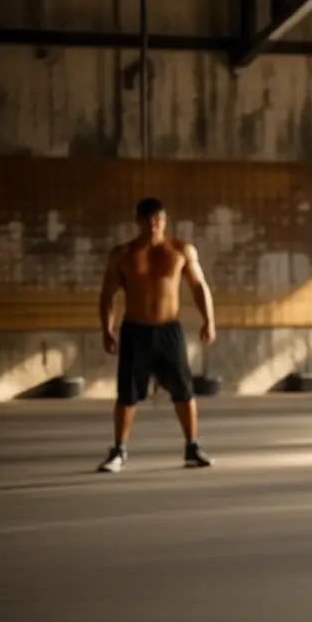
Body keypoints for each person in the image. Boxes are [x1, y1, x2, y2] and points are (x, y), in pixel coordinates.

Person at [96, 198, 215, 473]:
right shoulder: (123, 254)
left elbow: (199, 287)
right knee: (127, 393)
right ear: (137, 222)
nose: (153, 226)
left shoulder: (180, 251)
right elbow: (107, 295)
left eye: (158, 221)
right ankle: (119, 451)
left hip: (168, 330)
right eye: (148, 221)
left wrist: (209, 320)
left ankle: (192, 446)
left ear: (165, 222)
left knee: (184, 390)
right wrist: (107, 330)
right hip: (135, 330)